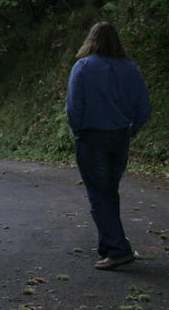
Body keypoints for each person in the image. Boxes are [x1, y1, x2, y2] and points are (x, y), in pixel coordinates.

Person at [65, 21, 151, 270]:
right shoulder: (130, 68)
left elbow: (74, 106)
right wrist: (130, 130)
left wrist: (78, 130)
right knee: (109, 192)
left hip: (92, 136)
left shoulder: (82, 67)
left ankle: (117, 249)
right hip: (120, 136)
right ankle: (108, 247)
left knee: (99, 194)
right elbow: (144, 107)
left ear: (91, 40)